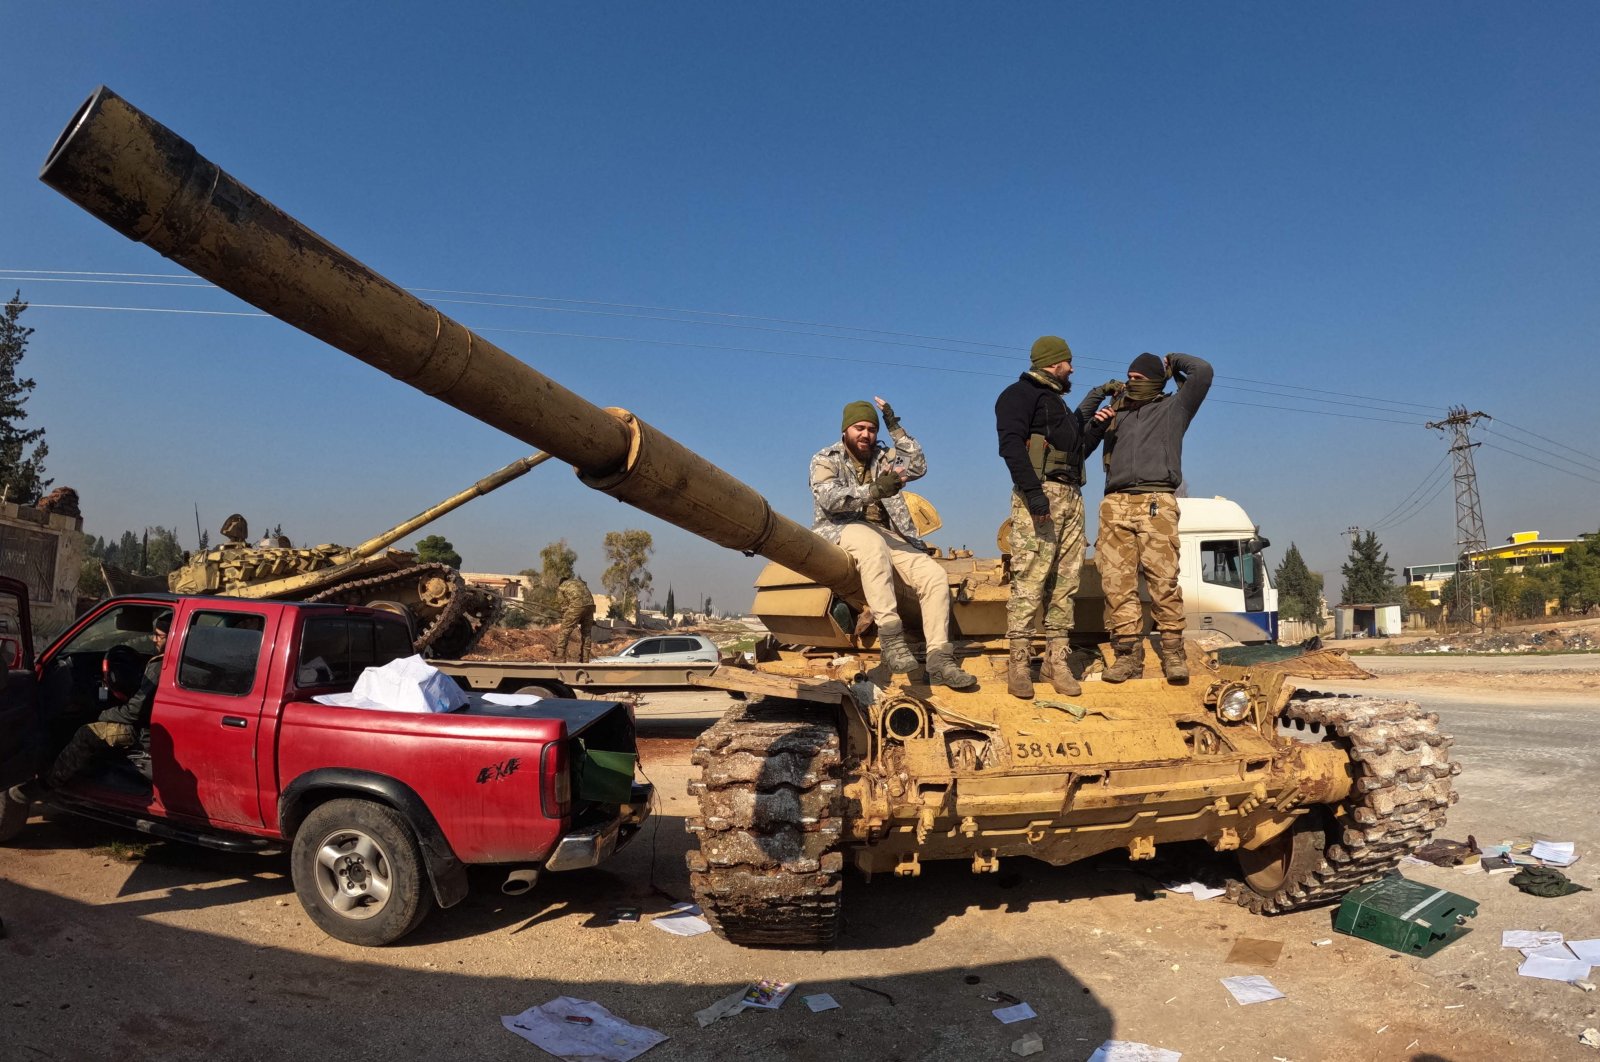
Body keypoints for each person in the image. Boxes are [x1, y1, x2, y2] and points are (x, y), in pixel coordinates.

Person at [810, 397, 976, 690]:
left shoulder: (885, 458)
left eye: (872, 429)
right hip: (840, 528)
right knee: (871, 545)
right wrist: (873, 490)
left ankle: (939, 659)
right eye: (859, 427)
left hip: (888, 533)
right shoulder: (826, 459)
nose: (866, 434)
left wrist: (895, 428)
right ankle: (891, 637)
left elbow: (918, 466)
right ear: (846, 429)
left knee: (934, 576)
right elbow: (829, 499)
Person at [1079, 352, 1213, 683]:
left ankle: (1172, 653)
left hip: (1157, 501)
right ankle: (1127, 657)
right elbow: (1076, 436)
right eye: (1128, 378)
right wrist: (1099, 401)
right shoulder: (1117, 414)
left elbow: (1203, 372)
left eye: (1139, 378)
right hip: (1115, 503)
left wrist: (1174, 361)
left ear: (1154, 380)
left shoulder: (1174, 409)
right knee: (1116, 584)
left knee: (1163, 580)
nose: (1130, 383)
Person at [994, 336, 1102, 699]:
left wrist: (1097, 426)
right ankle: (1019, 665)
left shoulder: (1056, 403)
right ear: (1053, 363)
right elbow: (1010, 446)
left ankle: (1056, 663)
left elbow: (1077, 450)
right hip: (1041, 495)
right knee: (1030, 579)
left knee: (1066, 582)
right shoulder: (1018, 395)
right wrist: (1034, 494)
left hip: (1072, 496)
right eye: (1068, 362)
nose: (1072, 368)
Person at [47, 612, 171, 787]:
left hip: (140, 731)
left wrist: (103, 714)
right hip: (153, 727)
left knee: (86, 733)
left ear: (172, 638)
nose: (153, 640)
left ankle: (50, 784)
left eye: (159, 636)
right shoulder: (172, 662)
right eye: (154, 634)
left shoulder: (159, 666)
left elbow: (134, 712)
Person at [555, 575, 596, 662]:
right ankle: (585, 659)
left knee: (564, 631)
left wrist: (566, 617)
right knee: (587, 633)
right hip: (590, 606)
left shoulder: (561, 587)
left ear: (560, 583)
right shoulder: (579, 583)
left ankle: (560, 657)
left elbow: (564, 606)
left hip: (577, 606)